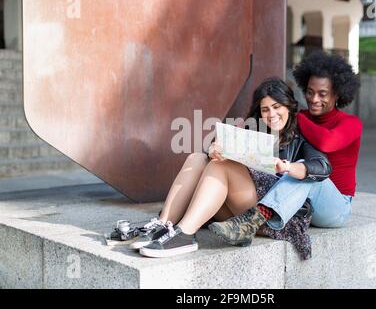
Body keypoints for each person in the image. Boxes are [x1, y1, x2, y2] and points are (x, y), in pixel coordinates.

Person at [107, 77, 331, 258]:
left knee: (222, 168)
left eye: (277, 107)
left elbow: (322, 166)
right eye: (265, 110)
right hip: (239, 206)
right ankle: (164, 225)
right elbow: (214, 153)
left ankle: (184, 234)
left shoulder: (300, 138)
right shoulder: (253, 132)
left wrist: (288, 167)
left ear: (289, 107)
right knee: (198, 157)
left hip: (270, 216)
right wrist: (213, 149)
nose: (271, 115)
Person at [208, 51, 362, 246]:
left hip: (335, 205)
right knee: (296, 170)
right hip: (299, 206)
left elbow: (327, 142)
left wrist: (295, 114)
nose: (314, 99)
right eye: (309, 92)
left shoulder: (350, 123)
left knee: (307, 172)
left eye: (322, 94)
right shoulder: (300, 118)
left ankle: (254, 220)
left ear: (337, 94)